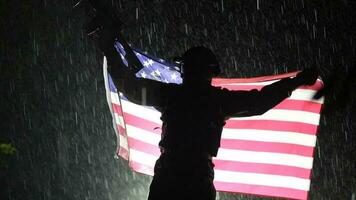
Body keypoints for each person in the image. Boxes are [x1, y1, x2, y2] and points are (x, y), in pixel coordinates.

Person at [88, 19, 318, 200]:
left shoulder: (173, 96)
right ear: (209, 73)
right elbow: (259, 102)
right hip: (195, 178)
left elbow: (132, 88)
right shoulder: (215, 100)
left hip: (171, 176)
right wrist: (295, 82)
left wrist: (109, 49)